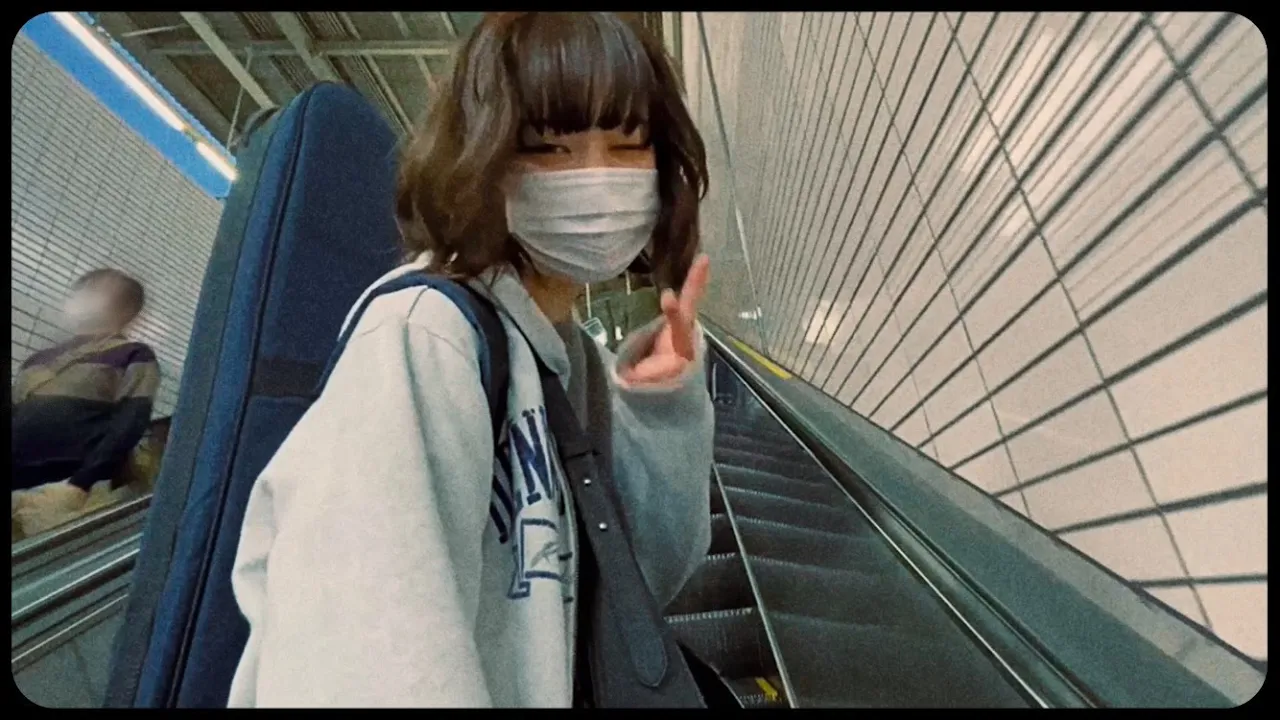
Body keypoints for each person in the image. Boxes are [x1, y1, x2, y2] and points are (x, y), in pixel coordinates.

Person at [227, 12, 715, 708]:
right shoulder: (424, 337)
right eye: (548, 148)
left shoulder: (566, 357)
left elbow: (638, 585)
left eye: (628, 144)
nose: (596, 177)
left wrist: (662, 408)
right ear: (482, 159)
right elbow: (363, 663)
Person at [12, 268, 160, 537]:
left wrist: (81, 484)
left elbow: (130, 421)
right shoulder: (37, 360)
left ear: (126, 309)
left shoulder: (134, 354)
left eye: (95, 290)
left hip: (71, 493)